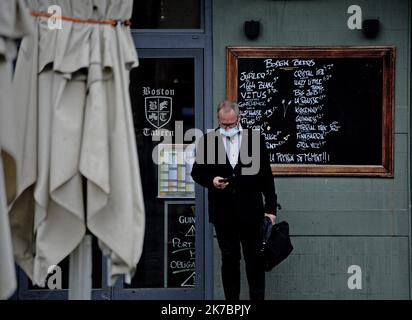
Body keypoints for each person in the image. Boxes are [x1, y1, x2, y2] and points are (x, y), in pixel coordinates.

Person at [191, 100, 278, 300]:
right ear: (218, 120)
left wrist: (271, 209)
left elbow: (266, 176)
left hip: (252, 212)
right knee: (229, 260)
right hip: (223, 214)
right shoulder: (208, 140)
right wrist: (211, 181)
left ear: (239, 118)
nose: (228, 128)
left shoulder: (255, 140)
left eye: (231, 124)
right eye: (223, 124)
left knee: (254, 260)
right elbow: (197, 172)